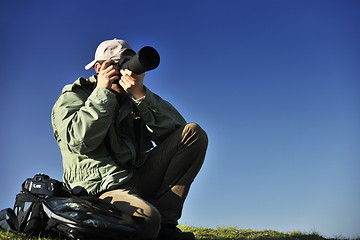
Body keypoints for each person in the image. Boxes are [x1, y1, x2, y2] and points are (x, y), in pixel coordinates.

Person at [51, 38, 208, 240]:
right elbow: (80, 141)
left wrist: (141, 95)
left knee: (193, 133)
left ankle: (166, 226)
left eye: (129, 62)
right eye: (119, 64)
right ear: (99, 68)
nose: (127, 70)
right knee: (146, 222)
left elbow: (175, 130)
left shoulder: (132, 96)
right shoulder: (74, 96)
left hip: (136, 177)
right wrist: (103, 93)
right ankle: (154, 224)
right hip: (98, 189)